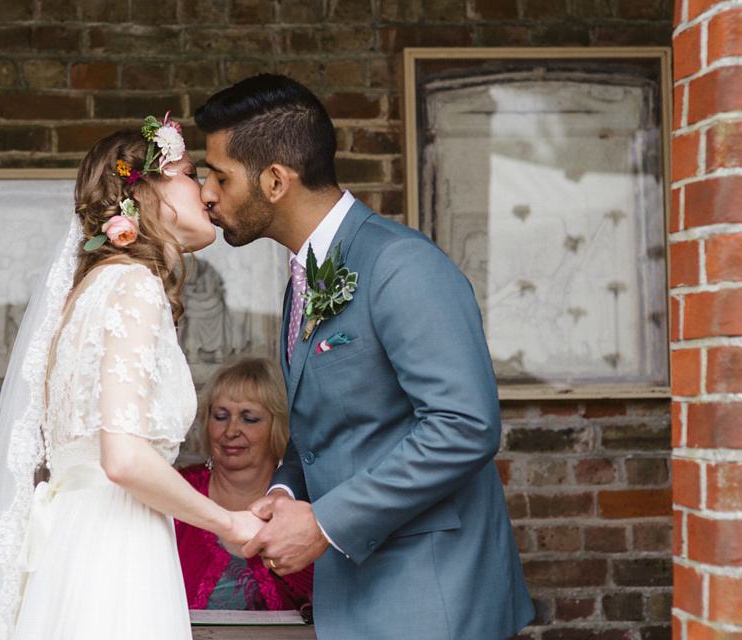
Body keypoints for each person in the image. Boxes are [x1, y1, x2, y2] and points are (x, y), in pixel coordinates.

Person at [195, 75, 535, 640]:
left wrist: (325, 524)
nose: (208, 193)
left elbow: (465, 426)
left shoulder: (402, 265)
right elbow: (326, 432)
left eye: (220, 176)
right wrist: (281, 494)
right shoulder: (302, 278)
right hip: (355, 596)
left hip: (430, 596)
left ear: (276, 180)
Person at [0, 115, 264, 640]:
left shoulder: (87, 293)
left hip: (74, 543)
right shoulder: (134, 287)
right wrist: (229, 523)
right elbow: (124, 459)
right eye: (189, 173)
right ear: (145, 191)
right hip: (116, 549)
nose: (206, 192)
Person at [175, 357, 313, 613]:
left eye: (249, 418)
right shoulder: (178, 492)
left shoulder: (302, 502)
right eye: (221, 416)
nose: (231, 431)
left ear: (278, 425)